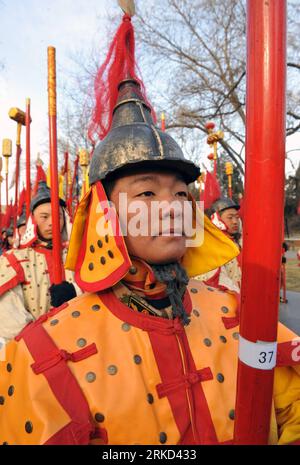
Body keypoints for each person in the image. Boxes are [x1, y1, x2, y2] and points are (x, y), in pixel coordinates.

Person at [0, 75, 299, 445]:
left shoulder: (239, 311)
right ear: (103, 213)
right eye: (146, 192)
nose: (171, 207)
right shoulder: (42, 350)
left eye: (179, 193)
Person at [0, 181, 81, 343]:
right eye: (44, 217)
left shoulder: (80, 254)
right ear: (33, 220)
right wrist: (40, 340)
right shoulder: (14, 258)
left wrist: (76, 292)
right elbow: (8, 314)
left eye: (57, 216)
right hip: (33, 348)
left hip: (79, 338)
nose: (52, 223)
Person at [196, 198, 242, 293]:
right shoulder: (210, 245)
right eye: (230, 217)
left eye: (237, 217)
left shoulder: (238, 241)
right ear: (217, 218)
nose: (235, 222)